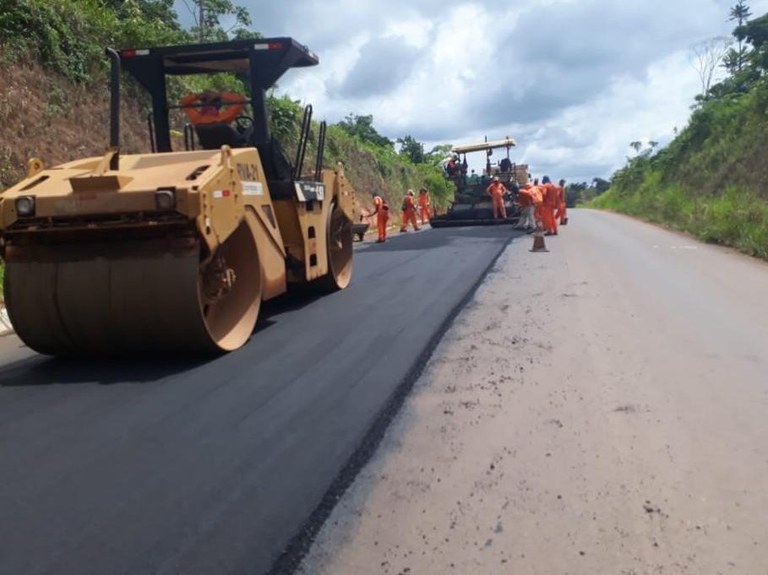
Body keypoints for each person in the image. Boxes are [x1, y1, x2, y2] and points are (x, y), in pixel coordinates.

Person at [179, 90, 246, 125]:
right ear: (219, 104)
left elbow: (183, 102)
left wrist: (198, 96)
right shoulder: (223, 118)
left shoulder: (197, 119)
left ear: (202, 102)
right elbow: (240, 100)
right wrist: (219, 95)